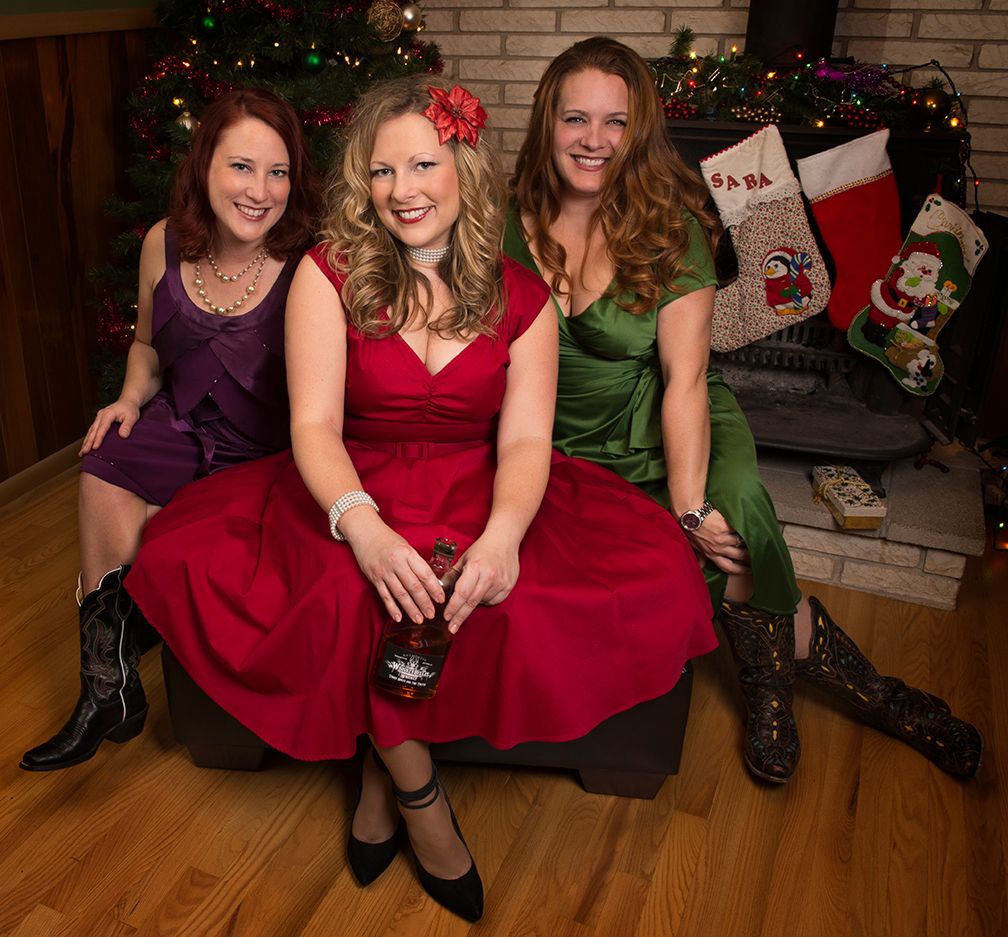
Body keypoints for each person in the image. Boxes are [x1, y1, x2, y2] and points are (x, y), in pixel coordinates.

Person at [122, 75, 717, 921]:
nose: (402, 190)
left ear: (462, 169)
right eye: (380, 170)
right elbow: (314, 426)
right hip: (350, 484)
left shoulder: (522, 295)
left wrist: (504, 537)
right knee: (354, 592)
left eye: (422, 165)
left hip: (480, 484)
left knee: (604, 577)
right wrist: (361, 528)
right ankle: (420, 796)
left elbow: (525, 442)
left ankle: (377, 773)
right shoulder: (328, 275)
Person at [504, 36, 983, 783]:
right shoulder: (505, 224)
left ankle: (831, 691)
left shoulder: (670, 229)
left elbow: (686, 381)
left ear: (639, 131)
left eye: (615, 121)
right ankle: (786, 666)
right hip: (552, 436)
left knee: (733, 514)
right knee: (673, 557)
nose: (594, 140)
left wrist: (690, 505)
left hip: (665, 409)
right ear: (547, 123)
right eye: (576, 119)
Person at [20, 88, 320, 773]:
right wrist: (129, 397)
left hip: (264, 454)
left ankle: (124, 658)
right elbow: (146, 344)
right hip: (183, 425)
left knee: (170, 530)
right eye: (241, 167)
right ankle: (107, 688)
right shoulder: (163, 241)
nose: (260, 191)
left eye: (278, 172)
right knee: (105, 459)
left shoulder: (309, 261)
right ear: (204, 164)